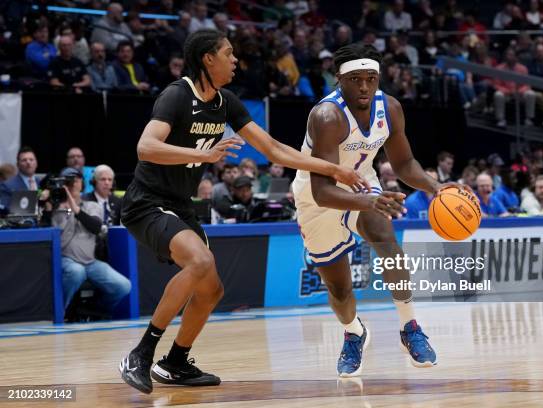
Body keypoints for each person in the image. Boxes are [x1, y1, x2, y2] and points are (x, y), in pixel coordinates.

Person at [118, 29, 369, 394]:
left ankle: (175, 363)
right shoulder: (176, 95)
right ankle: (141, 353)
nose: (235, 60)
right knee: (200, 263)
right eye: (229, 54)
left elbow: (274, 150)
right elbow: (146, 147)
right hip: (146, 202)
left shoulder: (226, 102)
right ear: (208, 58)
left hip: (180, 206)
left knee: (212, 291)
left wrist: (332, 168)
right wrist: (202, 155)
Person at [292, 43, 460, 378]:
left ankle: (409, 326)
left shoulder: (391, 108)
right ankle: (354, 332)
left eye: (371, 78)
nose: (365, 86)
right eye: (356, 79)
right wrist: (371, 200)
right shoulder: (327, 116)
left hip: (361, 182)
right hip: (316, 196)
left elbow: (404, 163)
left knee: (386, 239)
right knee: (339, 289)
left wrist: (436, 187)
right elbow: (323, 191)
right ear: (339, 79)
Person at [48, 167, 131, 313]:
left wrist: (76, 209)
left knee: (124, 286)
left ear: (82, 184)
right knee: (76, 271)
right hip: (66, 259)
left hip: (90, 262)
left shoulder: (91, 205)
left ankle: (95, 311)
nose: (73, 184)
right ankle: (59, 313)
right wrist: (47, 206)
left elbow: (96, 227)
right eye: (69, 181)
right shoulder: (56, 210)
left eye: (76, 180)